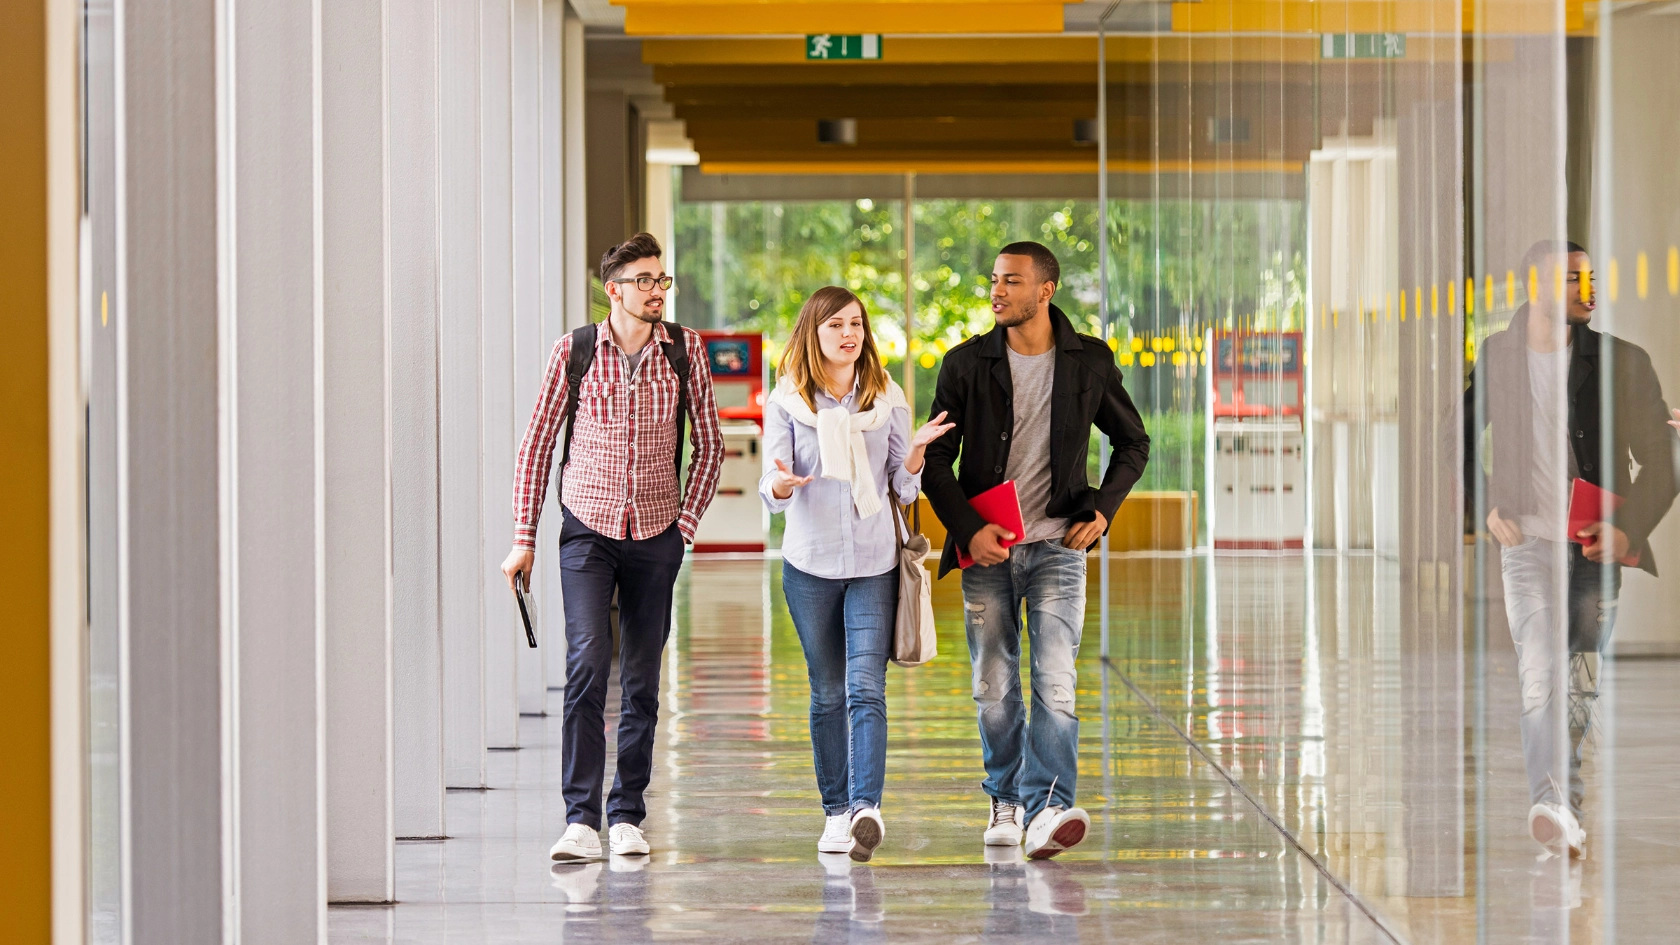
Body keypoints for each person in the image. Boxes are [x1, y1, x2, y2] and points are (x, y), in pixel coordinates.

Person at [923, 241, 1150, 859]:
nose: (997, 291)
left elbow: (1134, 444)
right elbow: (934, 459)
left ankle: (1049, 807)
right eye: (994, 280)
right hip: (987, 551)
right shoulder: (965, 365)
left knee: (1056, 680)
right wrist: (969, 528)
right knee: (994, 682)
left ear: (1046, 290)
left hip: (1056, 548)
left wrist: (1103, 511)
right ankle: (1004, 795)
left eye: (1012, 281)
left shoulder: (1089, 363)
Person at [502, 233, 724, 862]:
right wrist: (524, 538)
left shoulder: (685, 352)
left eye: (663, 280)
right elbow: (537, 445)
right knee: (587, 664)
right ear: (615, 288)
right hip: (587, 530)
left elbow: (709, 445)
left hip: (657, 532)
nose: (658, 290)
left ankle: (626, 814)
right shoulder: (573, 351)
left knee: (644, 679)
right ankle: (580, 819)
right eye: (646, 279)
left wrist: (683, 527)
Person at [1464, 239, 1679, 857]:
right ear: (1535, 289)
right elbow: (1456, 437)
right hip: (1527, 548)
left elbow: (1663, 461)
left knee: (1579, 681)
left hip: (1592, 554)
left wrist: (1627, 529)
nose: (1588, 291)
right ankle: (1554, 803)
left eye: (1591, 279)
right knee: (1538, 674)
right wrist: (1488, 507)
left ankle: (1563, 800)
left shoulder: (1623, 363)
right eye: (1572, 280)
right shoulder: (1500, 358)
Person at [760, 286, 954, 863]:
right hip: (810, 562)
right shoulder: (788, 401)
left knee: (867, 687)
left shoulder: (886, 396)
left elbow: (901, 485)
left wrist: (915, 452)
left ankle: (867, 808)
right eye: (836, 325)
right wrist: (779, 484)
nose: (850, 334)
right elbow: (773, 487)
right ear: (812, 333)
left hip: (875, 562)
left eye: (857, 324)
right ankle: (835, 812)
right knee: (828, 692)